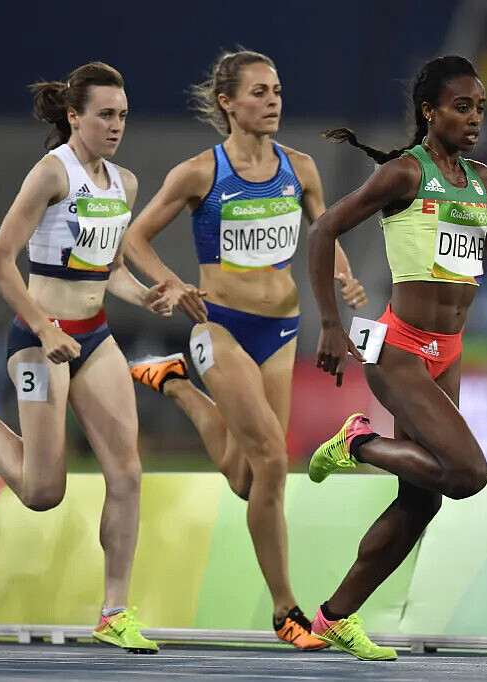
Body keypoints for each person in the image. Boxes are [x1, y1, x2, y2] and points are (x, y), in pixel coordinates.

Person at [0, 62, 174, 653]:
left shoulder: (124, 183)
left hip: (95, 338)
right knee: (42, 492)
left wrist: (147, 296)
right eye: (105, 115)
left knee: (127, 473)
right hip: (40, 341)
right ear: (74, 116)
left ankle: (114, 613)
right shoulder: (50, 174)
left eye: (123, 115)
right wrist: (43, 327)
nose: (116, 126)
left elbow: (109, 270)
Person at [122, 49, 365, 649]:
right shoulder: (199, 173)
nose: (273, 101)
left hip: (280, 331)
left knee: (244, 478)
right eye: (259, 92)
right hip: (220, 327)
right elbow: (136, 239)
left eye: (276, 90)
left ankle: (175, 383)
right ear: (227, 102)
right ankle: (287, 611)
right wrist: (173, 285)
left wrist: (344, 274)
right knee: (274, 463)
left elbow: (323, 232)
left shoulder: (300, 168)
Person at [305, 55, 487, 660]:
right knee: (469, 474)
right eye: (461, 107)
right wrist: (330, 324)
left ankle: (333, 617)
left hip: (447, 352)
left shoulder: (480, 179)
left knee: (421, 500)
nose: (474, 118)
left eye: (480, 108)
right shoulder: (404, 173)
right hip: (399, 349)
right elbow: (322, 231)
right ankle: (358, 444)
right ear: (429, 112)